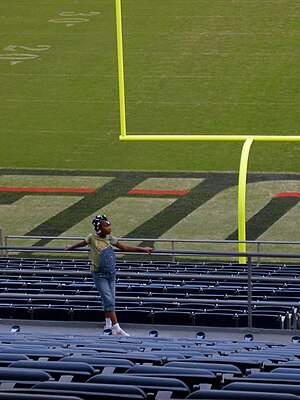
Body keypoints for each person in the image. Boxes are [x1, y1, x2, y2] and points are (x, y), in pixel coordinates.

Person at [65, 214, 154, 336]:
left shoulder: (111, 239)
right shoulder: (91, 238)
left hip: (111, 274)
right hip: (99, 275)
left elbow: (125, 248)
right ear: (99, 228)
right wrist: (71, 247)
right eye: (106, 226)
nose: (109, 228)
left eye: (109, 225)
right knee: (108, 300)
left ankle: (108, 325)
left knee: (110, 299)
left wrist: (143, 249)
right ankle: (117, 328)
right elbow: (82, 243)